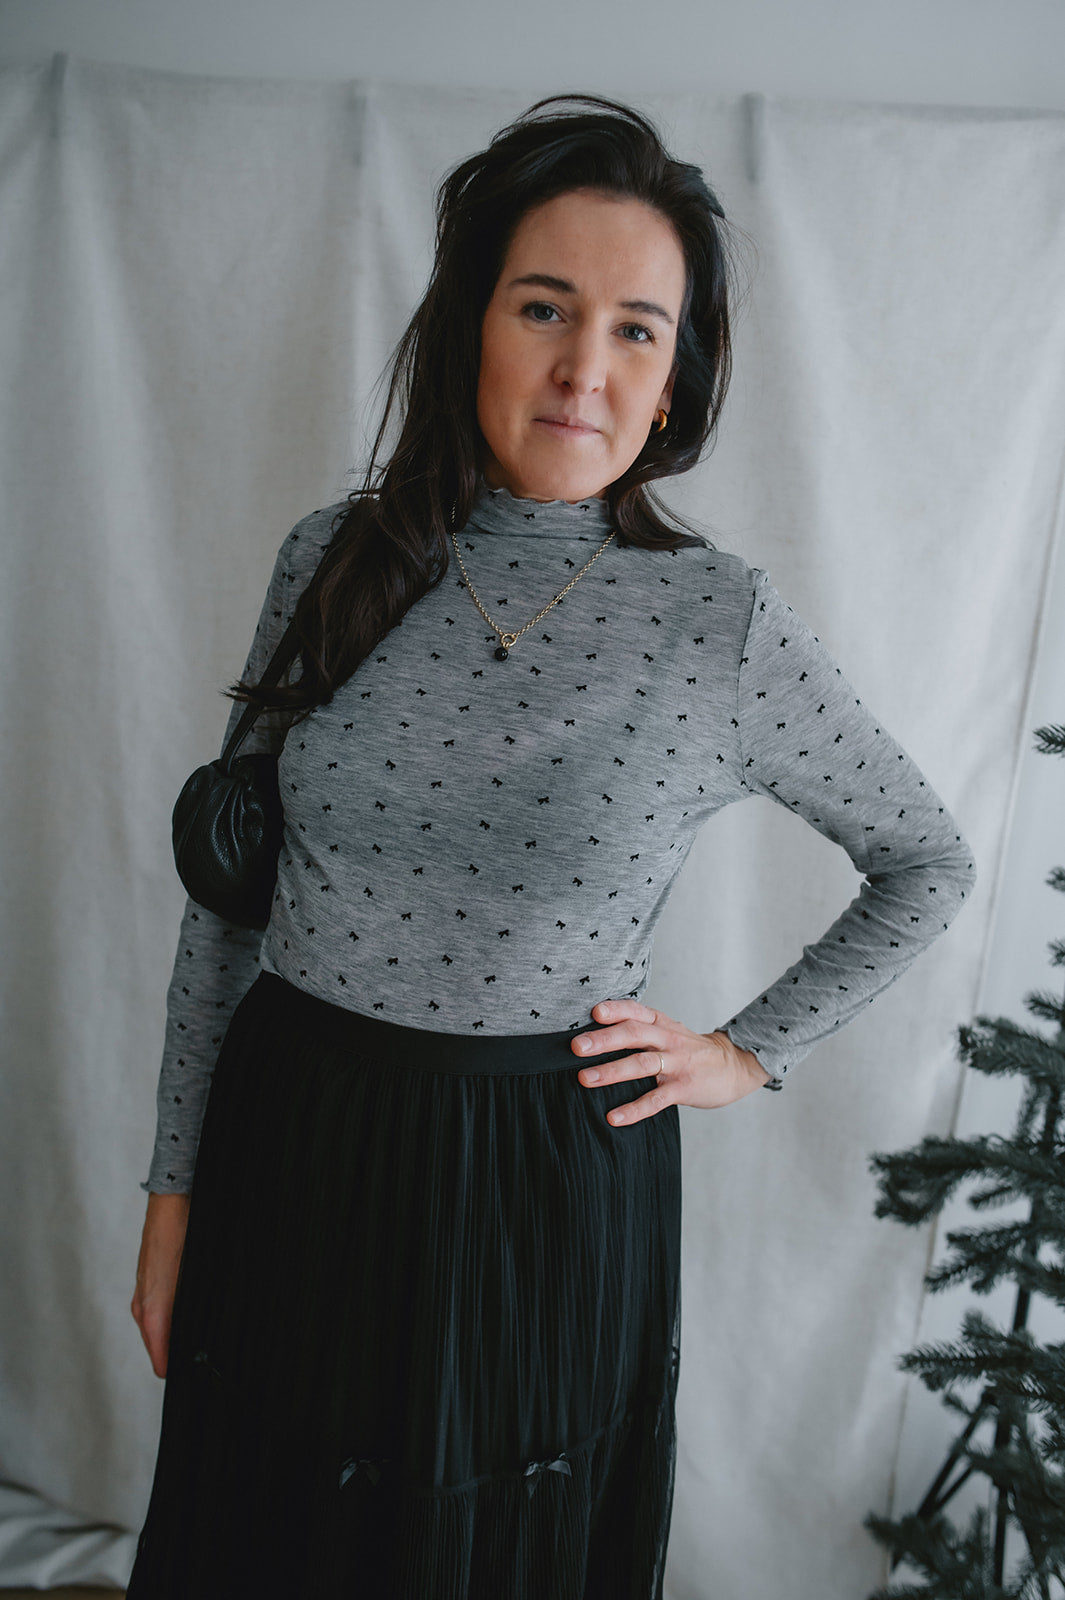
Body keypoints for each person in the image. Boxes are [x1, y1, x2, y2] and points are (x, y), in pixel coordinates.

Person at [127, 93, 975, 1600]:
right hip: (296, 1134)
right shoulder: (333, 562)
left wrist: (744, 1052)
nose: (585, 367)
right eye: (544, 308)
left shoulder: (718, 624)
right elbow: (226, 900)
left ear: (675, 377)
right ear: (472, 323)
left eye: (637, 330)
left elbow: (925, 861)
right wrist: (171, 1193)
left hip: (540, 1179)